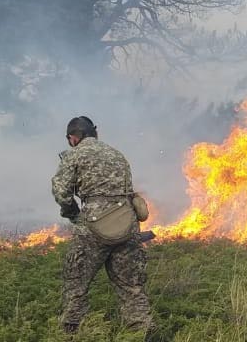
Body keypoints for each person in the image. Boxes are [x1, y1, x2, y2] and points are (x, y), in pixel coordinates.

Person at [51, 116, 152, 336]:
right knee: (132, 288)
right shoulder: (117, 155)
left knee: (75, 284)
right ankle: (139, 334)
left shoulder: (75, 155)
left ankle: (72, 334)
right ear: (94, 133)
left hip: (93, 227)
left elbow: (61, 192)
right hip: (127, 225)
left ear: (73, 137)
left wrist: (74, 215)